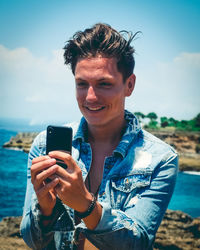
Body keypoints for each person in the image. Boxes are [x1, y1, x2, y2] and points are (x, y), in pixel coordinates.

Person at [20, 23, 178, 250]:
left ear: (129, 85)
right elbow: (33, 241)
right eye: (82, 84)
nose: (90, 97)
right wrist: (45, 210)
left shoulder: (161, 158)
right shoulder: (43, 144)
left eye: (104, 84)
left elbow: (139, 243)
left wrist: (84, 204)